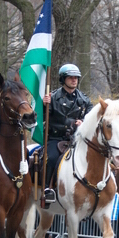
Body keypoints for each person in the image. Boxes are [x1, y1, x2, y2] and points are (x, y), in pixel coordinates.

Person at [41, 63, 91, 204]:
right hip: (56, 138)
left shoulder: (85, 99)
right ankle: (47, 189)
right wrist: (44, 105)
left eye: (76, 77)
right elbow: (42, 118)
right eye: (70, 77)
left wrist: (83, 122)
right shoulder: (52, 97)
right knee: (50, 158)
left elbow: (92, 117)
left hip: (77, 140)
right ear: (63, 79)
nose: (74, 80)